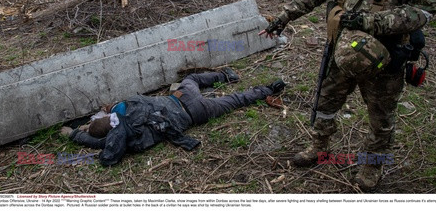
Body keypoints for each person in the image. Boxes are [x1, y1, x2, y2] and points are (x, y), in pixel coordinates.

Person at [259, 0, 436, 190]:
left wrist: (371, 21)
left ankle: (372, 164)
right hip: (343, 49)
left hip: (385, 54)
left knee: (381, 116)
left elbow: (425, 11)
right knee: (326, 102)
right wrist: (284, 17)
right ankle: (320, 147)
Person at [61, 68, 286, 166]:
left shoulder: (125, 136)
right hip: (181, 97)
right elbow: (104, 135)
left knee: (234, 101)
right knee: (192, 79)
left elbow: (106, 153)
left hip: (195, 114)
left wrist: (74, 136)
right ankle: (225, 75)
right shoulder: (127, 105)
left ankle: (269, 89)